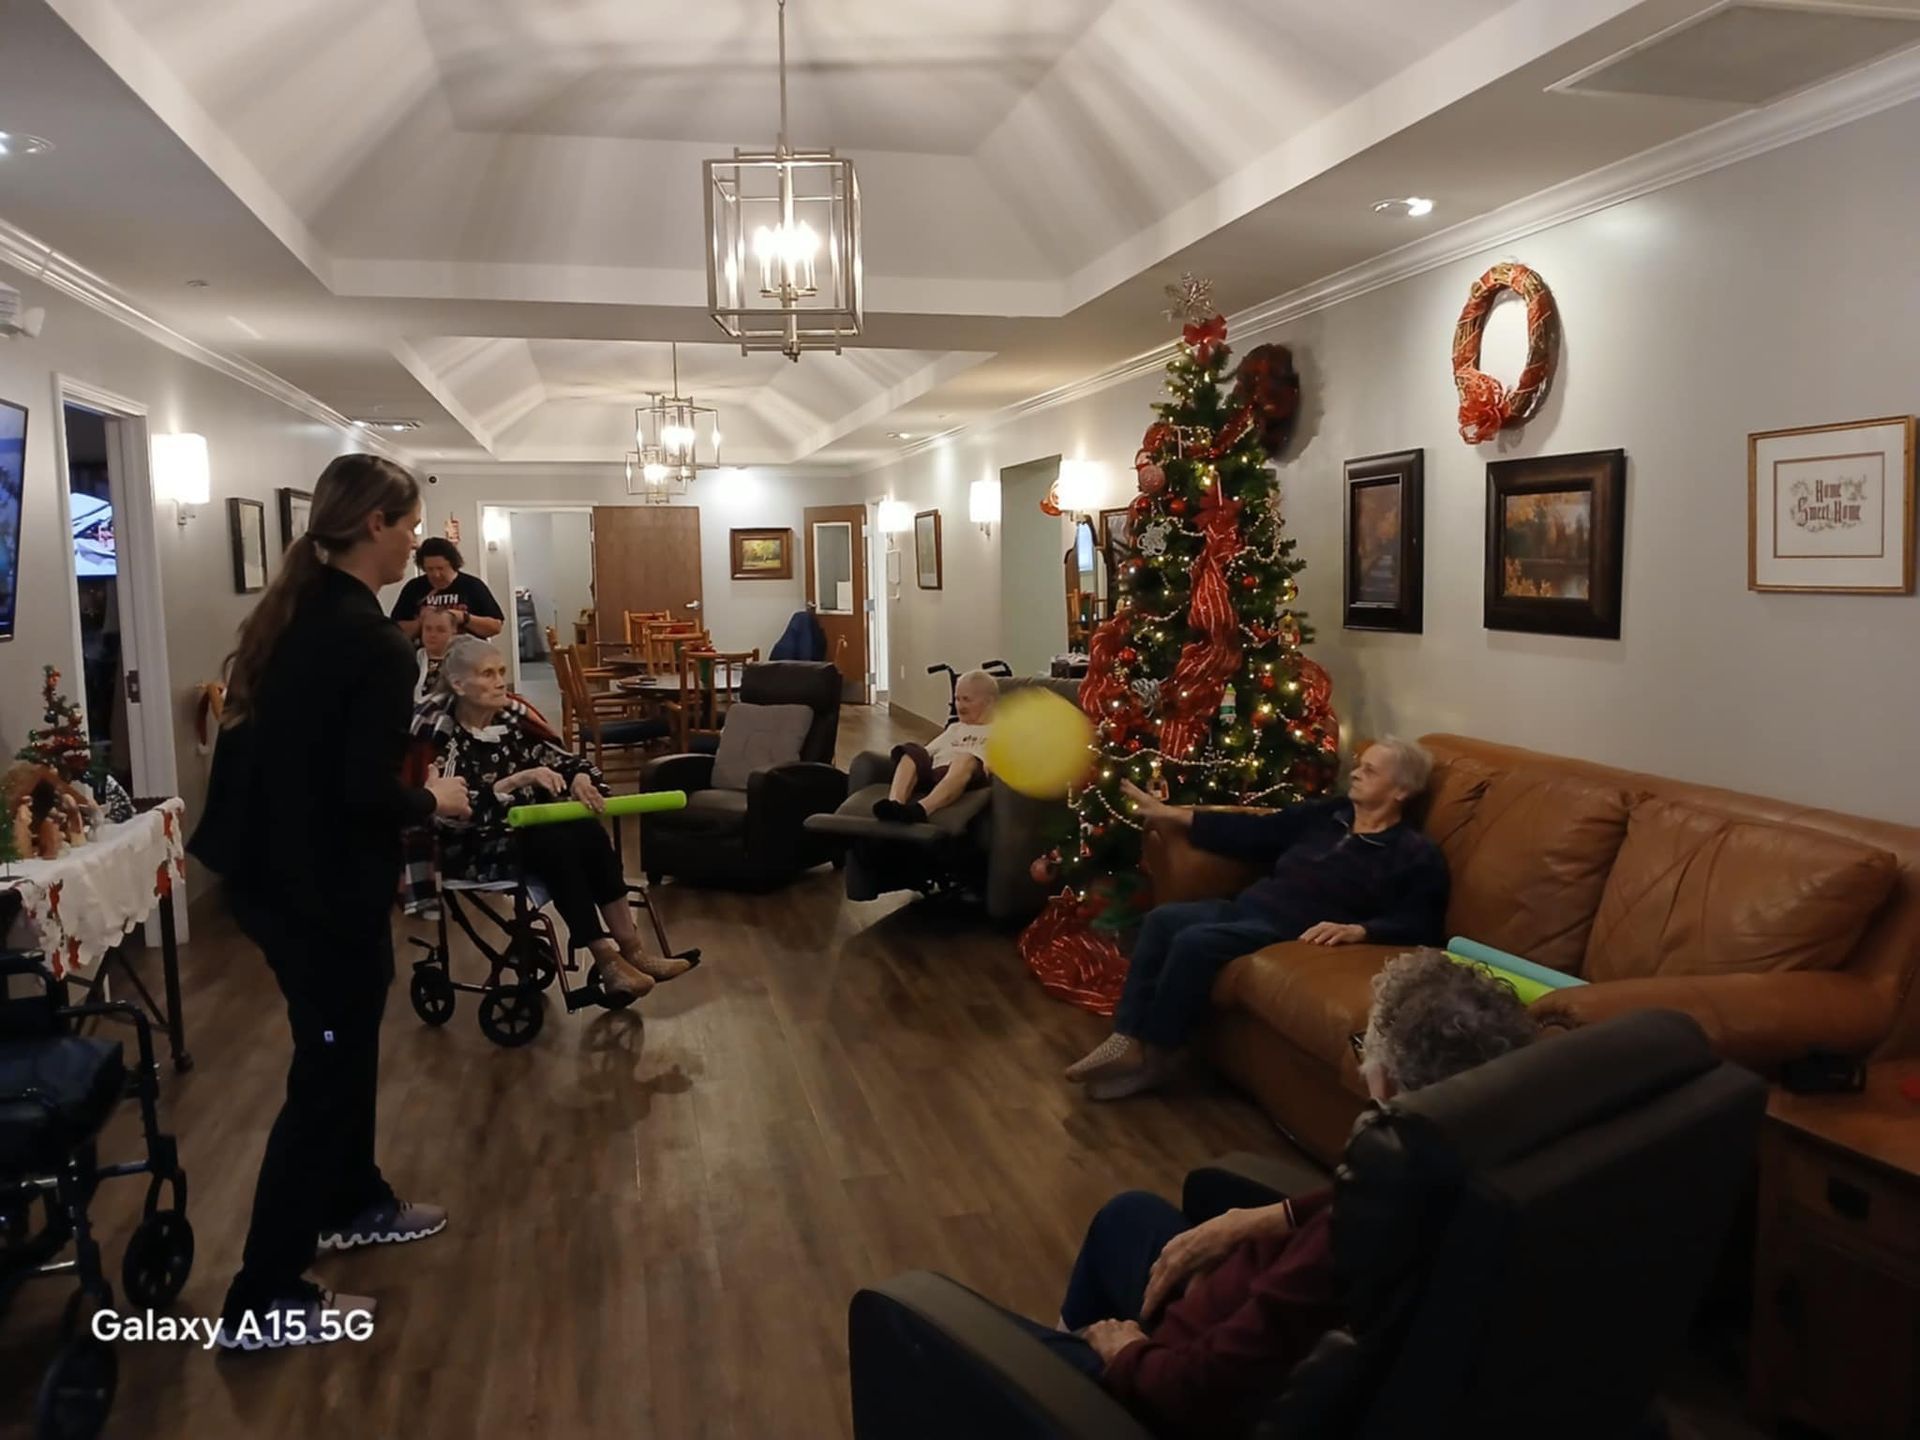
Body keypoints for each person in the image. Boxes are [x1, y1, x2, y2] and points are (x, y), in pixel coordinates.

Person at [1002, 950, 1537, 1440]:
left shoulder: (1339, 1248)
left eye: (1362, 1048)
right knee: (1128, 1216)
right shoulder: (1459, 1174)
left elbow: (1195, 1392)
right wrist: (1271, 1216)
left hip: (1167, 1377)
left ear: (1390, 1084)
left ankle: (1067, 1394)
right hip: (1221, 1310)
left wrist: (1124, 1353)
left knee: (929, 1329)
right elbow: (1346, 1200)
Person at [190, 454, 472, 1349]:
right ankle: (261, 1297)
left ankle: (352, 1200)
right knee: (324, 1073)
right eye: (409, 526)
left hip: (281, 882)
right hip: (314, 891)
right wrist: (439, 801)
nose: (416, 547)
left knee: (344, 1054)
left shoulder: (297, 615)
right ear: (376, 525)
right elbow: (361, 788)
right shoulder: (368, 641)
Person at [1066, 737, 1447, 1099]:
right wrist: (1174, 815)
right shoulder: (1332, 814)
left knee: (1195, 943)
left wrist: (1361, 930)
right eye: (1360, 765)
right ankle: (1127, 1038)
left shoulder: (1413, 853)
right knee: (1163, 920)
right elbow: (1259, 830)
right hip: (1249, 906)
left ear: (1401, 791)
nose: (1356, 773)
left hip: (1291, 928)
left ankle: (1157, 1057)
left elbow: (1422, 921)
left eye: (1371, 770)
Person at [415, 636, 691, 1000]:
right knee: (554, 840)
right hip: (473, 846)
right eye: (488, 673)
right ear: (458, 684)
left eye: (501, 671)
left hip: (526, 833)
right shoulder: (445, 740)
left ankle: (632, 949)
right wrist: (518, 780)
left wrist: (578, 777)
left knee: (585, 828)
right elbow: (452, 812)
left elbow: (564, 758)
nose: (500, 681)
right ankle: (606, 958)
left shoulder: (513, 724)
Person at [873, 668, 997, 823]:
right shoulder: (954, 728)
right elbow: (926, 753)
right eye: (957, 699)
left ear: (989, 702)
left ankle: (922, 809)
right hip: (936, 774)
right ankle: (895, 805)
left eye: (967, 699)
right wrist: (915, 758)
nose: (960, 705)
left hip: (966, 777)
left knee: (964, 758)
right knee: (912, 751)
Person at [390, 537, 505, 641]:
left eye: (440, 568)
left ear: (453, 564)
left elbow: (496, 627)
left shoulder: (472, 586)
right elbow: (396, 631)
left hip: (468, 657)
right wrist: (421, 621)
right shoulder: (414, 587)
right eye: (429, 569)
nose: (436, 574)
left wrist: (464, 618)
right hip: (425, 659)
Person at [413, 605, 458, 703]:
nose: (432, 635)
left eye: (440, 630)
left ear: (453, 632)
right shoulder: (411, 658)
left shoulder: (462, 661)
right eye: (428, 629)